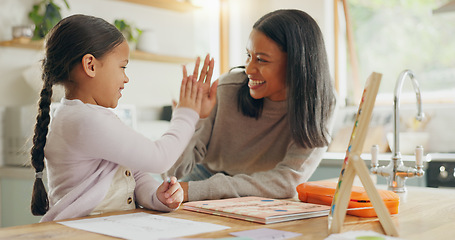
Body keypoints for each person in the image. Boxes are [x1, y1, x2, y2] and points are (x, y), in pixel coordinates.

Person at [29, 14, 217, 222]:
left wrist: (157, 197)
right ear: (90, 65)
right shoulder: (83, 120)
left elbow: (133, 174)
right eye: (122, 67)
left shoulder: (89, 116)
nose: (126, 78)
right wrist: (187, 113)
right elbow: (159, 159)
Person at [166, 9, 337, 202]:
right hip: (205, 177)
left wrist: (202, 190)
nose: (248, 68)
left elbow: (287, 181)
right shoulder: (226, 89)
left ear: (296, 65)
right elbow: (172, 170)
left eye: (261, 60)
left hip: (263, 189)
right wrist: (189, 117)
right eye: (248, 55)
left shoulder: (321, 102)